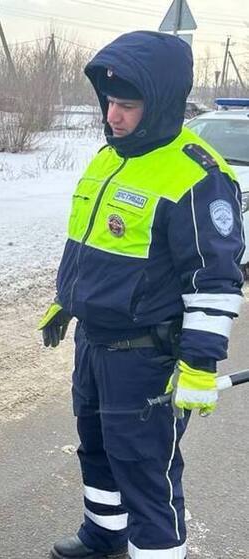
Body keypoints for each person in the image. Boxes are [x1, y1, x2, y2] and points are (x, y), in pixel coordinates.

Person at [39, 31, 244, 559]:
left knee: (145, 469)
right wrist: (69, 301)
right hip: (95, 344)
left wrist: (199, 366)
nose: (114, 116)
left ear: (161, 104)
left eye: (127, 106)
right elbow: (93, 244)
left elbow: (214, 283)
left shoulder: (197, 176)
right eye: (109, 103)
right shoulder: (109, 160)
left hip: (146, 355)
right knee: (99, 449)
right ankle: (104, 534)